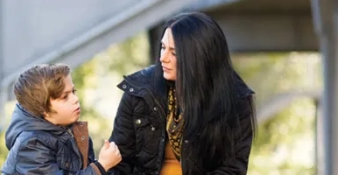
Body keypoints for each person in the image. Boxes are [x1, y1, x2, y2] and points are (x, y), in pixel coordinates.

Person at [107, 12, 256, 175]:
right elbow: (119, 161)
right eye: (163, 47)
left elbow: (232, 169)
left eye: (174, 52)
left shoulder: (235, 100)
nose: (163, 58)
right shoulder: (139, 91)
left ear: (198, 57)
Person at [1, 64, 122, 175]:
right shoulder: (31, 144)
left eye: (73, 92)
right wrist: (101, 166)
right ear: (42, 108)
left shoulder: (73, 132)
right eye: (65, 97)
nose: (75, 99)